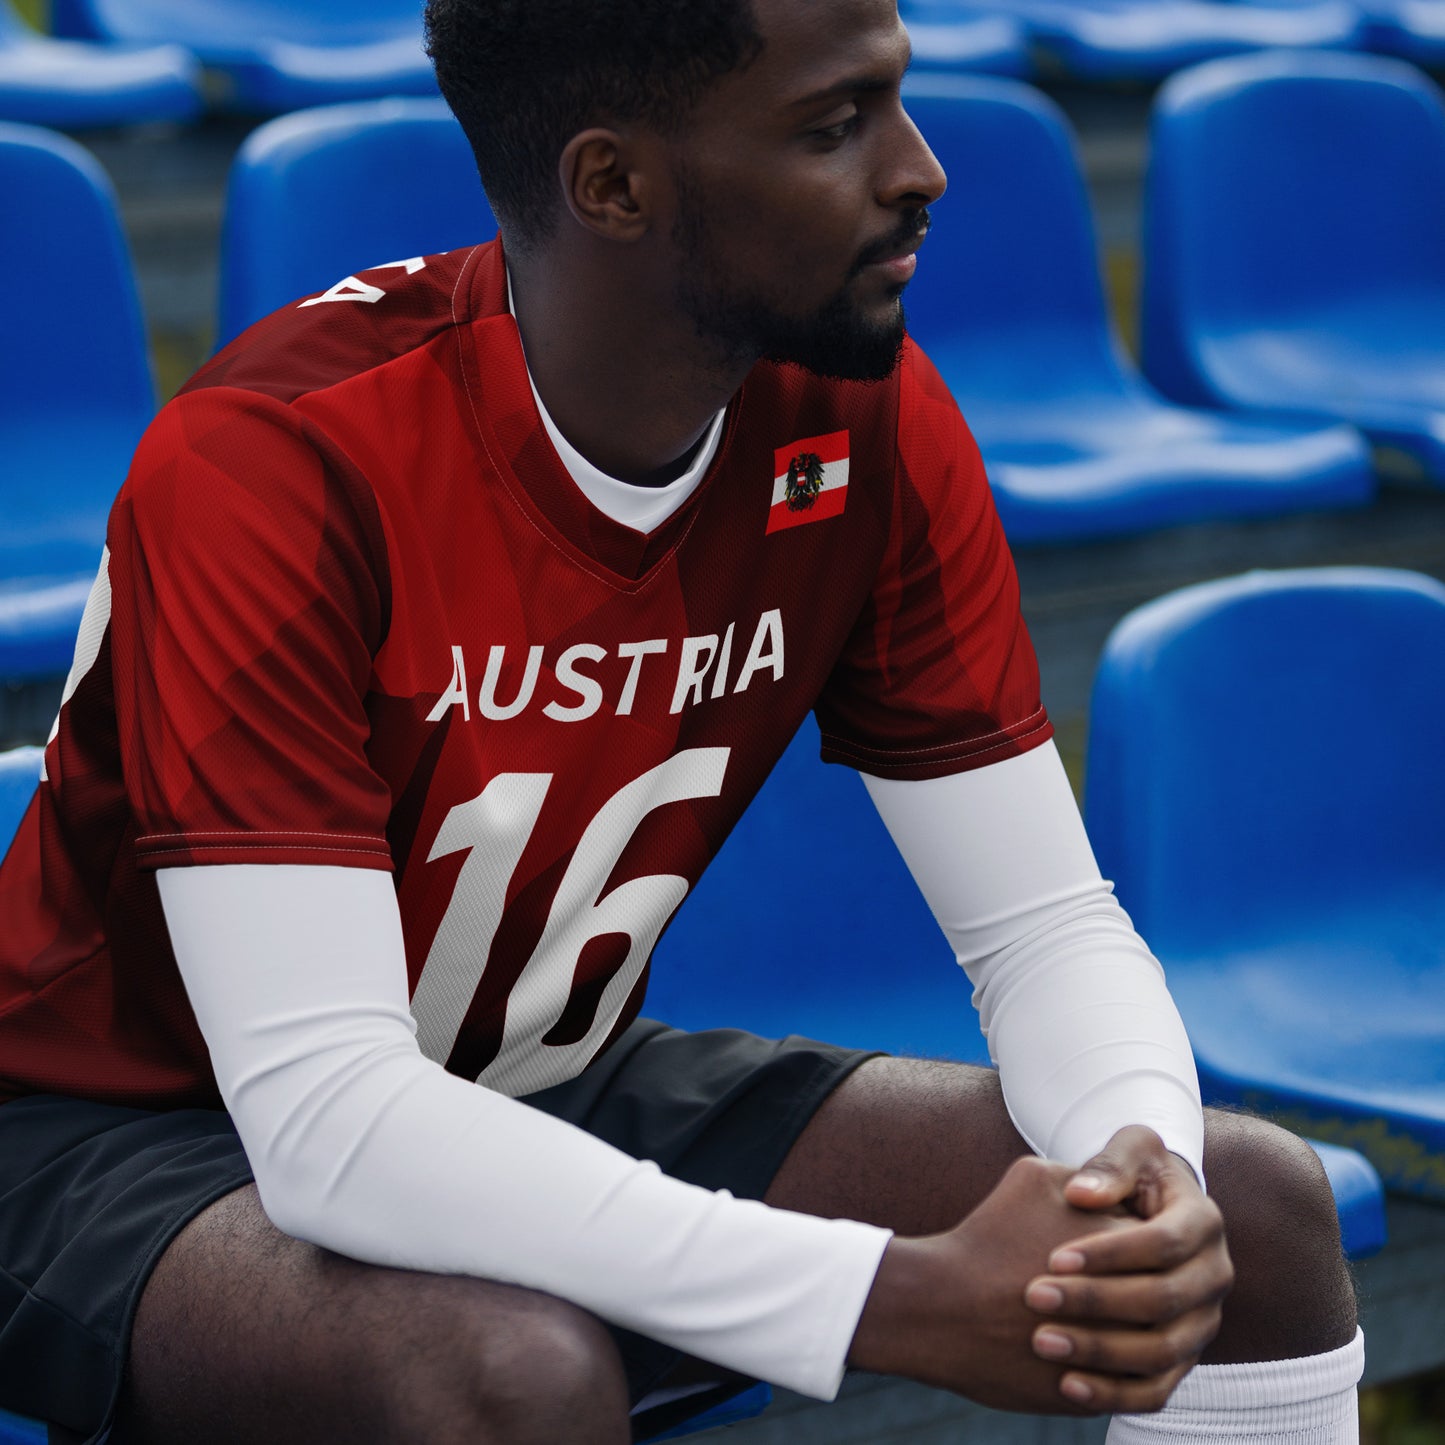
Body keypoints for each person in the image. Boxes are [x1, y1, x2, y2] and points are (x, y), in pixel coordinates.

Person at [0, 0, 1362, 1441]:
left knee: (1248, 1207)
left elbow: (1045, 928)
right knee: (512, 1379)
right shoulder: (276, 464)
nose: (920, 169)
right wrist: (886, 1296)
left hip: (527, 1073)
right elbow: (327, 1114)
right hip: (115, 1135)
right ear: (614, 184)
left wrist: (1138, 1172)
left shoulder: (860, 417)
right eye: (834, 125)